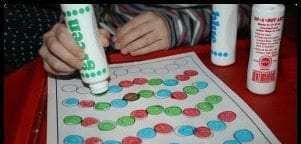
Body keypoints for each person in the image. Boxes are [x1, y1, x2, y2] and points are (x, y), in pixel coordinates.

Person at [4, 4, 251, 74]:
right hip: (107, 41)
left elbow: (250, 11)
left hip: (201, 49)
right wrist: (67, 36)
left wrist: (179, 25)